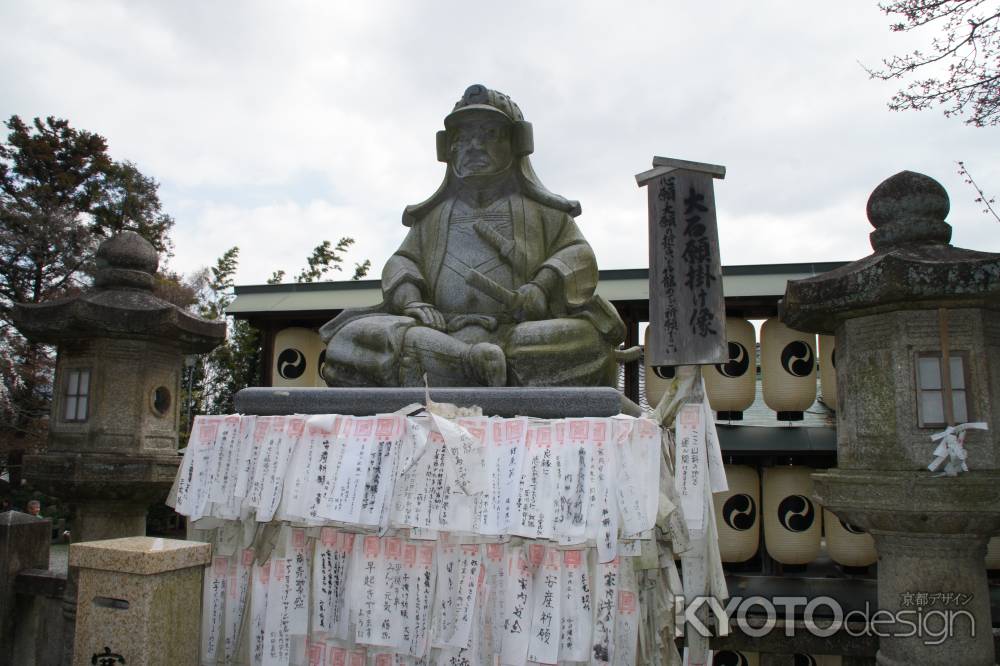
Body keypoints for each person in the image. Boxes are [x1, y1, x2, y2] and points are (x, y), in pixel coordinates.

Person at [321, 85, 626, 387]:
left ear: (516, 143)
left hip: (516, 337)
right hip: (442, 333)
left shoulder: (545, 212)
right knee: (351, 339)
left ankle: (455, 366)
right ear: (448, 148)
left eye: (489, 134)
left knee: (588, 341)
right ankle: (470, 362)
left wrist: (541, 287)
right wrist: (412, 301)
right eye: (463, 137)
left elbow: (578, 254)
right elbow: (402, 262)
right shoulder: (432, 218)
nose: (474, 145)